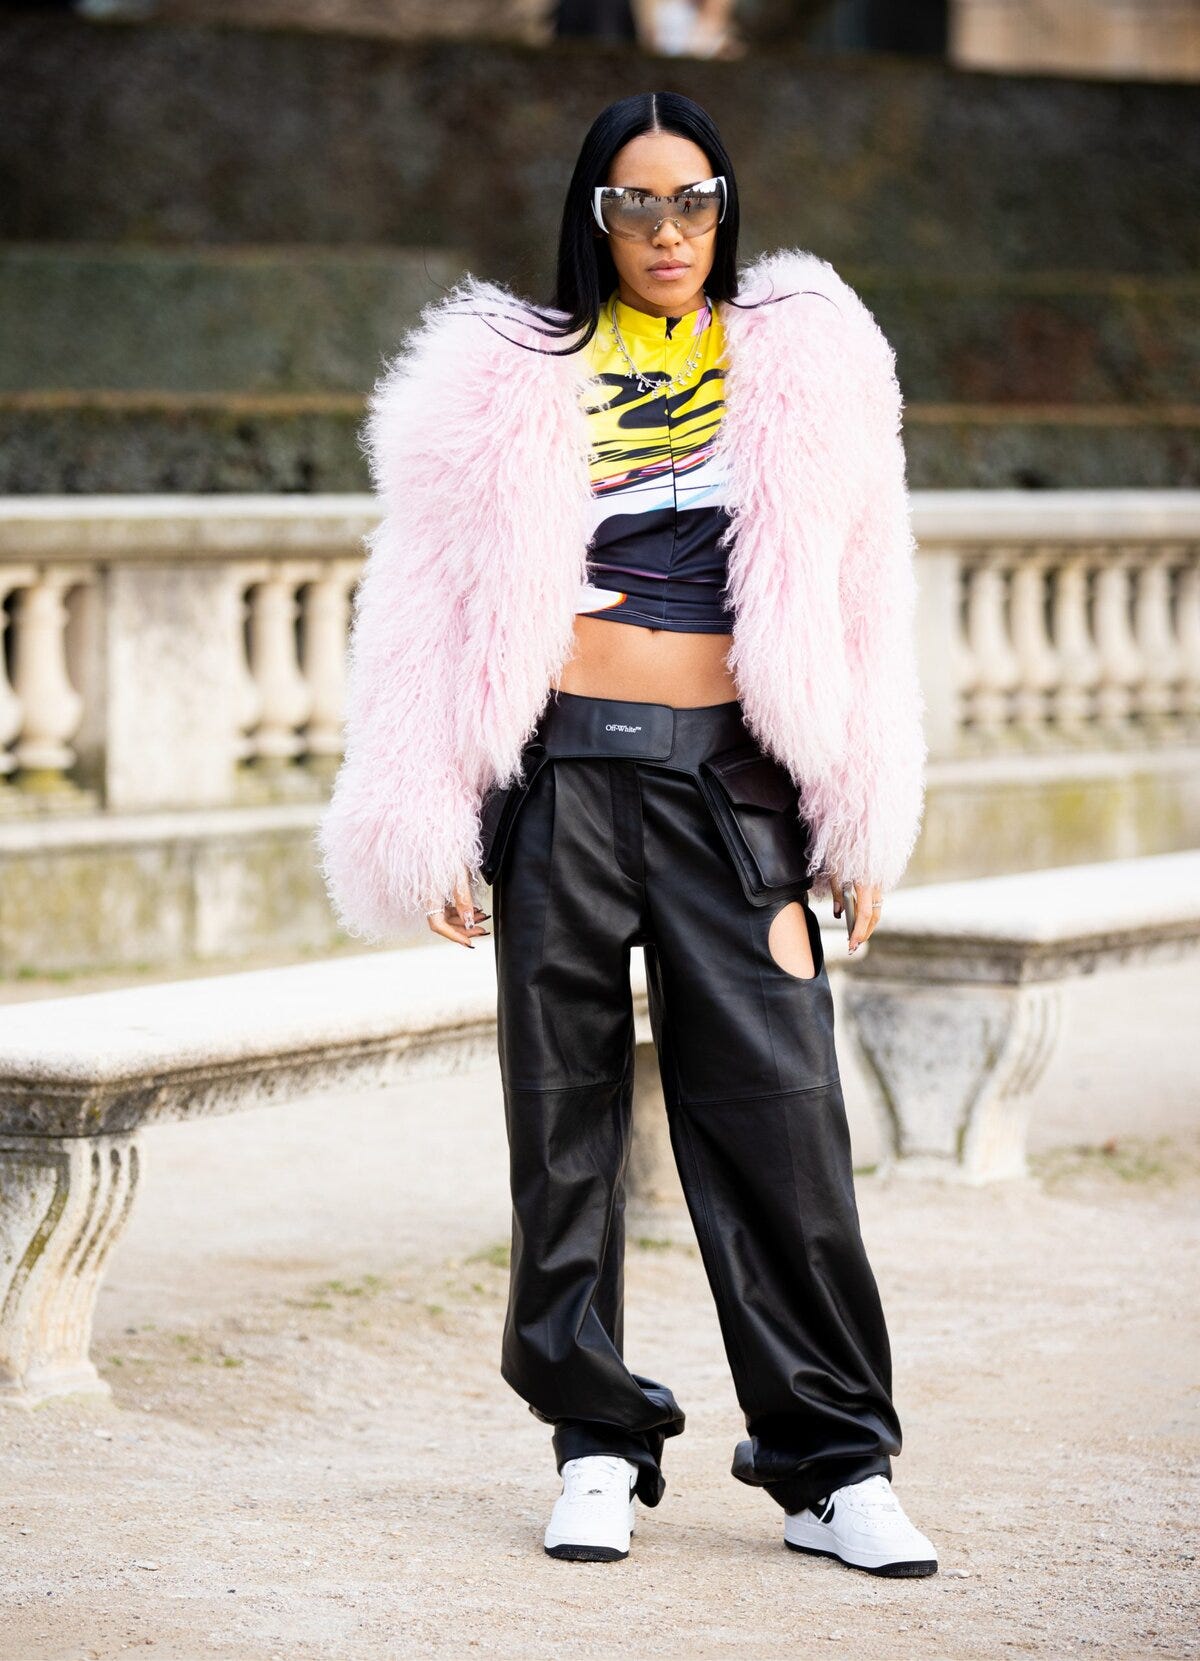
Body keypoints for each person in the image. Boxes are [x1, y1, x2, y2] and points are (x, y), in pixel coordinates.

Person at [316, 90, 937, 1578]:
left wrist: (863, 809)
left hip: (737, 789)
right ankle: (594, 1442)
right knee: (563, 1128)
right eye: (637, 204)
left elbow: (869, 593)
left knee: (786, 1123)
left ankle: (832, 1464)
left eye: (694, 199)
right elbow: (420, 604)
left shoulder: (810, 362)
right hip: (563, 789)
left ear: (728, 207)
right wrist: (424, 810)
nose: (669, 231)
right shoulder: (504, 374)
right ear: (594, 215)